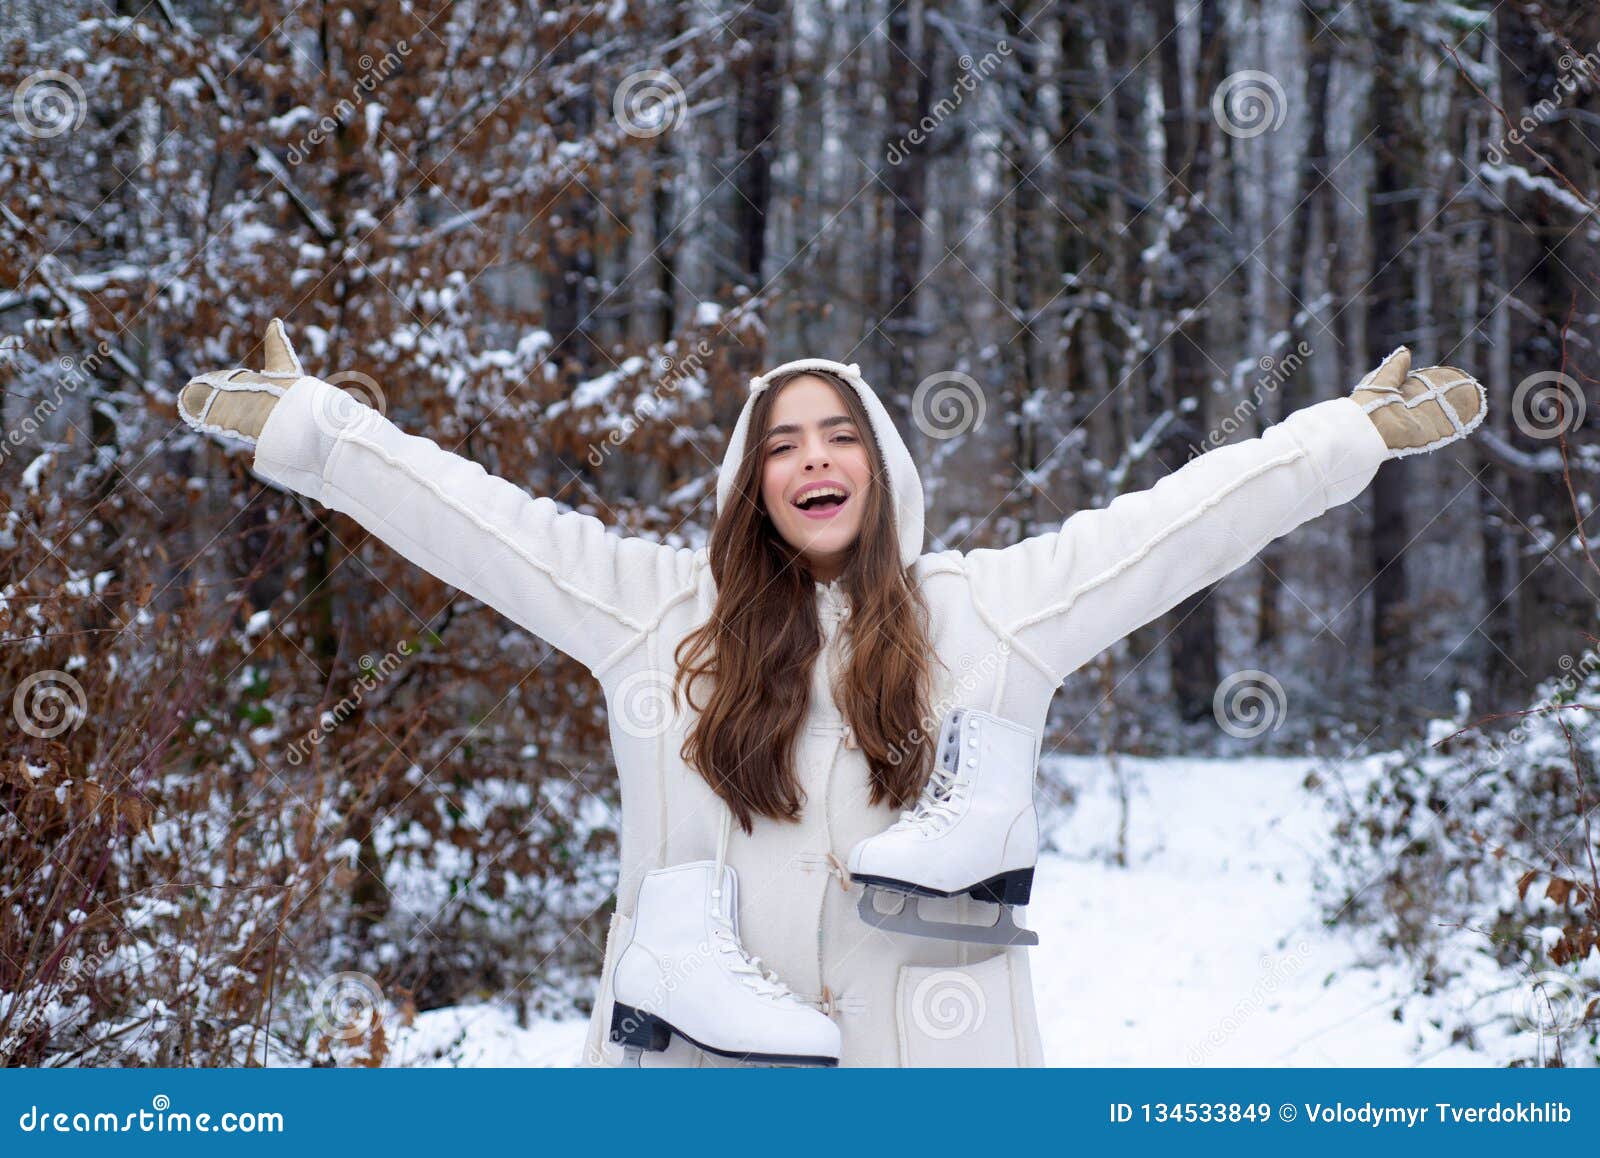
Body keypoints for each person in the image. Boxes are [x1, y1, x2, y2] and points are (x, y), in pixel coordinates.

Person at [178, 321, 1486, 1066]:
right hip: (698, 1078)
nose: (813, 459)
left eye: (839, 433)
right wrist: (316, 428)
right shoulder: (659, 615)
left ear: (881, 461)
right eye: (783, 444)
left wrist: (1343, 438)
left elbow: (1174, 526)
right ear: (752, 484)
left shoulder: (984, 610)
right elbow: (477, 519)